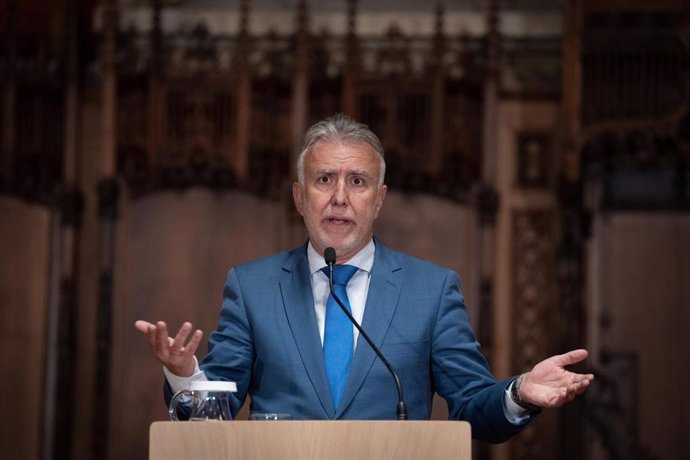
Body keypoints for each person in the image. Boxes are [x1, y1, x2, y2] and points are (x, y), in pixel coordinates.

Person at [135, 113, 593, 443]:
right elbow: (211, 420)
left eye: (357, 182)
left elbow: (474, 408)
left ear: (379, 200)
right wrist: (185, 377)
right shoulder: (252, 288)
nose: (339, 198)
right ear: (299, 196)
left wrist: (519, 393)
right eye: (324, 179)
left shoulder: (431, 291)